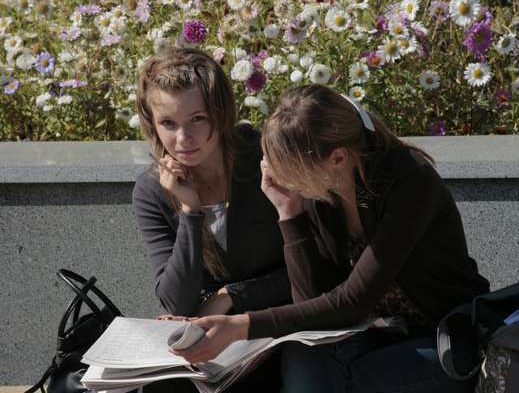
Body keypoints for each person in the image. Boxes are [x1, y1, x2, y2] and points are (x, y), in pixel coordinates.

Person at [173, 84, 491, 393]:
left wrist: (241, 325)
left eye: (291, 173)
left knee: (341, 381)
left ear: (337, 158)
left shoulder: (410, 180)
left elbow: (354, 300)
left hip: (443, 338)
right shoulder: (324, 188)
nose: (282, 181)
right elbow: (312, 304)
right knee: (301, 355)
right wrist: (289, 212)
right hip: (374, 336)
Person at [132, 48, 290, 392]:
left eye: (197, 120)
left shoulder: (264, 161)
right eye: (168, 124)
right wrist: (190, 212)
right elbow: (176, 301)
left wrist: (231, 295)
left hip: (280, 326)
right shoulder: (152, 189)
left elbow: (313, 266)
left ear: (220, 114)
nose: (183, 139)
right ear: (152, 123)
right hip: (214, 341)